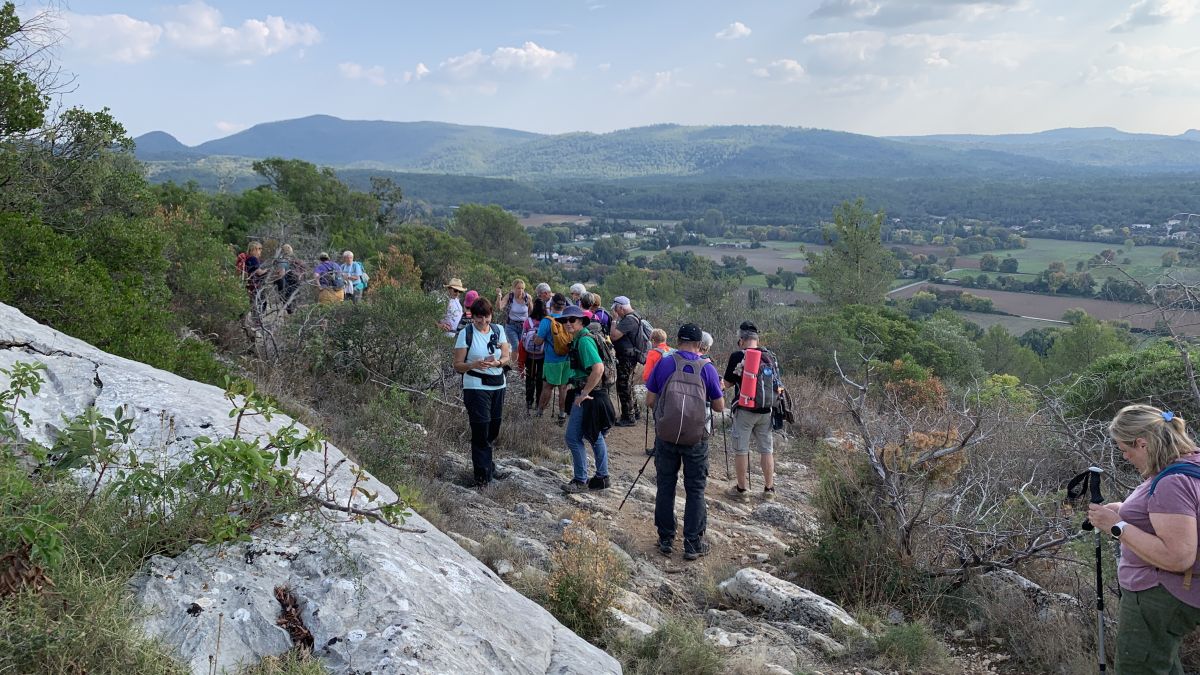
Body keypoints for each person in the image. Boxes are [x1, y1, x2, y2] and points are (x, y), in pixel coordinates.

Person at [1087, 404, 1200, 674]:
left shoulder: (1172, 482)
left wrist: (1117, 526)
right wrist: (1125, 510)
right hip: (1177, 593)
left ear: (1142, 443)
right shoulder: (1189, 462)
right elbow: (1173, 515)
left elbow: (1178, 556)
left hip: (1159, 593)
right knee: (1163, 664)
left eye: (1125, 449)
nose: (1125, 456)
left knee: (1139, 668)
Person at [645, 323, 725, 560]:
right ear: (700, 344)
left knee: (666, 487)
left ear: (678, 340)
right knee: (695, 490)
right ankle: (692, 543)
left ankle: (666, 539)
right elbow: (719, 407)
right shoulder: (707, 368)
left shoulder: (665, 362)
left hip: (666, 435)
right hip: (696, 439)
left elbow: (650, 400)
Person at [453, 298, 511, 486]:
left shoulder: (498, 330)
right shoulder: (465, 333)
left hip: (497, 384)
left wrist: (498, 363)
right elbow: (458, 366)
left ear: (491, 315)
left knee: (493, 429)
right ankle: (483, 478)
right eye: (478, 318)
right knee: (481, 430)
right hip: (475, 386)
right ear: (473, 317)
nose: (482, 322)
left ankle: (489, 467)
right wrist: (473, 365)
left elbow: (506, 356)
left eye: (485, 317)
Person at [558, 305, 615, 493]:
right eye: (564, 320)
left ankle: (580, 480)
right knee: (594, 435)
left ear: (581, 321)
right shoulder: (579, 340)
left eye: (572, 320)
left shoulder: (583, 341)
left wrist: (583, 393)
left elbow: (598, 368)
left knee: (573, 437)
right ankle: (602, 477)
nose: (567, 323)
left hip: (588, 395)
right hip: (595, 394)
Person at [723, 321, 781, 501]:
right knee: (766, 449)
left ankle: (742, 490)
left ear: (741, 340)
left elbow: (726, 383)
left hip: (745, 410)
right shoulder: (770, 356)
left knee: (741, 449)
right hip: (766, 410)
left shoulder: (738, 356)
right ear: (757, 339)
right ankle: (769, 489)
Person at [608, 296, 646, 426]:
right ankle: (634, 411)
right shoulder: (634, 316)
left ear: (621, 308)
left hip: (627, 358)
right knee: (627, 384)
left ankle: (628, 417)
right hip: (630, 356)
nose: (616, 313)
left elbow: (613, 336)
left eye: (617, 310)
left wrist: (614, 320)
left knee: (623, 385)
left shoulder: (629, 320)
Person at [536, 293, 571, 423]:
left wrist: (535, 338)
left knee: (547, 387)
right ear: (564, 306)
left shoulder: (547, 321)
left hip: (551, 359)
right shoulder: (568, 319)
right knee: (563, 387)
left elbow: (539, 342)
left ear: (551, 305)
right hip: (566, 359)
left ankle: (540, 413)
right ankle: (562, 415)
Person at [522, 299, 548, 413]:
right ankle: (539, 402)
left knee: (530, 378)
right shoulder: (547, 321)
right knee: (540, 379)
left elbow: (522, 338)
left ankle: (529, 402)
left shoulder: (528, 321)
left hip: (530, 355)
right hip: (543, 356)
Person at [496, 278, 532, 352]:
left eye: (522, 288)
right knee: (516, 346)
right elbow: (499, 307)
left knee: (523, 347)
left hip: (524, 326)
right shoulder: (510, 296)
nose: (520, 290)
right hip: (511, 326)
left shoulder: (527, 297)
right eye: (518, 288)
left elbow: (531, 311)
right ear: (513, 288)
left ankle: (521, 363)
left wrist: (530, 303)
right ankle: (515, 364)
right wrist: (499, 296)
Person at [272, 244, 304, 314]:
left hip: (286, 285)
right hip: (293, 285)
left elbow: (281, 274)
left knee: (286, 301)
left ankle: (289, 312)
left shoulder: (281, 261)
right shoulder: (292, 261)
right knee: (291, 303)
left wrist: (273, 278)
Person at [243, 241, 271, 315]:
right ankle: (257, 321)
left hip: (249, 284)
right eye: (259, 248)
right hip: (255, 284)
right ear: (253, 249)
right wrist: (267, 270)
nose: (260, 250)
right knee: (261, 302)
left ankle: (251, 319)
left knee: (253, 303)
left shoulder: (248, 258)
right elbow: (259, 272)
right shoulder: (253, 259)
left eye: (261, 248)